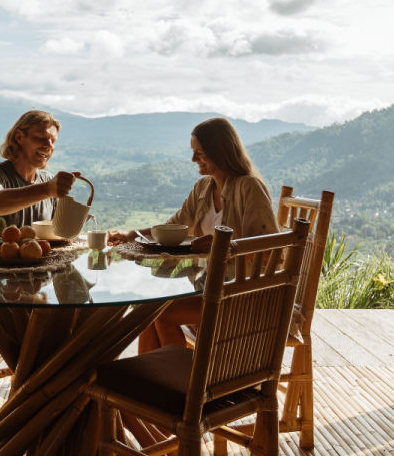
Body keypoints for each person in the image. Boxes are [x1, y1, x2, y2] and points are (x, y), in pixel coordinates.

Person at [108, 117, 278, 352]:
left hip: (243, 296)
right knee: (146, 312)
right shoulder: (204, 188)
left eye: (199, 152)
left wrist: (222, 244)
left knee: (162, 314)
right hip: (209, 288)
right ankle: (149, 385)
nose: (193, 159)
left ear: (219, 151)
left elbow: (268, 250)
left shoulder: (248, 187)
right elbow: (175, 227)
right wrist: (132, 234)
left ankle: (181, 381)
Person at [0, 110, 78, 231]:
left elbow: (57, 230)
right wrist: (47, 189)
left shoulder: (48, 180)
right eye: (41, 138)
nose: (49, 146)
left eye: (53, 141)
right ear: (19, 137)